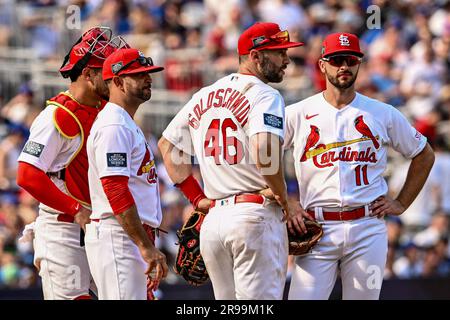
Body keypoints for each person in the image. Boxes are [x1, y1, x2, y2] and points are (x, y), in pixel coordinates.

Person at [284, 32, 435, 300]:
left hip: (367, 226)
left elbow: (424, 154)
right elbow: (263, 155)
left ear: (359, 64)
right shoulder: (297, 113)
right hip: (318, 227)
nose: (343, 66)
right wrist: (287, 201)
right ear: (322, 65)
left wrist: (401, 202)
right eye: (336, 60)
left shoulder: (382, 112)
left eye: (350, 60)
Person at [158, 22, 303, 299]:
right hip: (254, 217)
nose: (286, 59)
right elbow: (265, 149)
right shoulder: (265, 94)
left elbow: (168, 146)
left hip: (214, 220)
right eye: (278, 52)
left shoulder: (204, 94)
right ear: (256, 56)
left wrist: (196, 199)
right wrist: (284, 198)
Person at [16, 27, 119, 300]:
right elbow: (27, 175)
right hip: (63, 229)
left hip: (98, 228)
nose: (113, 80)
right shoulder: (57, 115)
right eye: (106, 73)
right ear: (87, 74)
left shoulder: (105, 112)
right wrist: (74, 209)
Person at [85, 47, 169, 300]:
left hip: (127, 234)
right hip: (119, 236)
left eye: (149, 73)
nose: (149, 78)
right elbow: (115, 189)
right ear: (118, 82)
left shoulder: (123, 122)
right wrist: (144, 245)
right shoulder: (114, 125)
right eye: (140, 74)